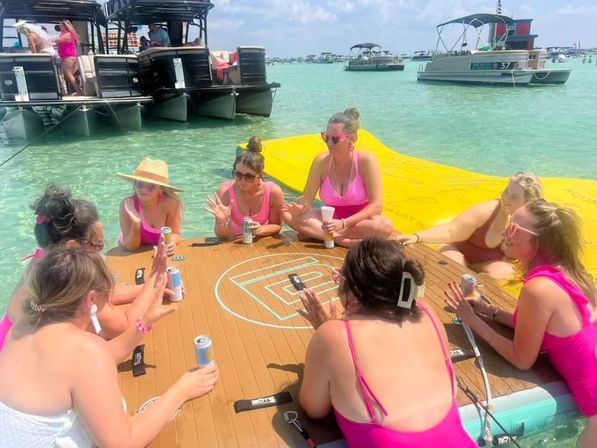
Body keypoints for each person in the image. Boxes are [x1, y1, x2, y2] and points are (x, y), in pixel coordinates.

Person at [0, 248, 219, 447]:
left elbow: (86, 368)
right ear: (91, 299)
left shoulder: (23, 326)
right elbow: (123, 444)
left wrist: (143, 324)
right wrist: (182, 390)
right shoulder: (85, 350)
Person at [444, 199, 597, 448]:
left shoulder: (538, 289)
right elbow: (545, 328)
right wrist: (490, 311)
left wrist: (471, 320)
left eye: (514, 228)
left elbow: (522, 359)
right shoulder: (570, 273)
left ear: (538, 242)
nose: (505, 231)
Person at [298, 238, 476, 447]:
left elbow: (314, 409)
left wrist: (327, 333)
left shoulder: (333, 336)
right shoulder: (427, 313)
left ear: (353, 293)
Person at [0, 184, 172, 353]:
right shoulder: (67, 276)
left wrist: (148, 289)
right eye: (97, 244)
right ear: (72, 246)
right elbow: (125, 327)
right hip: (17, 361)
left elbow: (105, 294)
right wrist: (156, 277)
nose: (102, 248)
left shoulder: (49, 256)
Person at [397, 171, 543, 279]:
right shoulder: (489, 210)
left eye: (514, 196)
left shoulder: (530, 225)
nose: (506, 198)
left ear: (528, 203)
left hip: (488, 264)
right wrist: (417, 236)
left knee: (505, 273)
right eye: (506, 191)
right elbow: (451, 230)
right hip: (458, 252)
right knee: (451, 267)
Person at [282, 108, 394, 247]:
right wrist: (300, 207)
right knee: (286, 214)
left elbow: (377, 206)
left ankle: (325, 236)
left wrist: (343, 224)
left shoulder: (366, 160)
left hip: (359, 221)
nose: (329, 143)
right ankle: (341, 240)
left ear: (351, 138)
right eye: (326, 137)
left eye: (334, 139)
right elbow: (306, 199)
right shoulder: (321, 161)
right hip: (331, 220)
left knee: (384, 226)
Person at [205, 136, 284, 240]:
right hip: (232, 243)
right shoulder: (225, 192)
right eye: (238, 174)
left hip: (261, 242)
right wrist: (223, 222)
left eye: (249, 176)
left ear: (259, 175)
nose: (242, 180)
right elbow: (222, 237)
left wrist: (263, 229)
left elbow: (277, 225)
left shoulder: (273, 192)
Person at [118, 158, 183, 255]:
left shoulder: (172, 204)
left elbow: (175, 233)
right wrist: (136, 224)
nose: (143, 190)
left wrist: (171, 243)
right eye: (139, 184)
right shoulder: (127, 205)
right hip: (130, 247)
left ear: (161, 189)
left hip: (156, 250)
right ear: (134, 184)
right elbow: (131, 247)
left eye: (150, 186)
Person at [55, 20, 82, 95]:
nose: (59, 27)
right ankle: (76, 91)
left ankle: (79, 92)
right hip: (67, 57)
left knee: (68, 75)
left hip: (69, 58)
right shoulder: (64, 34)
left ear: (65, 26)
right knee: (67, 76)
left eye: (61, 26)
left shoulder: (68, 34)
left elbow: (58, 41)